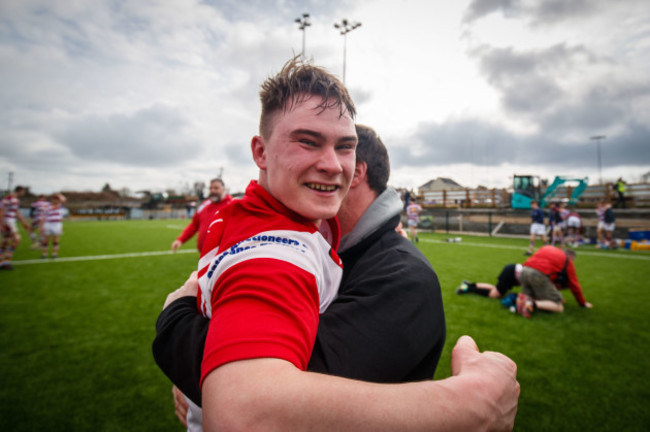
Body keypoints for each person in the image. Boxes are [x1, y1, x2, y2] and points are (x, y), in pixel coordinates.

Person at [155, 58, 519, 431]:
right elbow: (245, 405)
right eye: (308, 142)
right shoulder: (282, 242)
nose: (331, 164)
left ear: (358, 166)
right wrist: (469, 406)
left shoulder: (400, 277)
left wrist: (178, 322)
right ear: (261, 153)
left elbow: (247, 403)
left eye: (345, 147)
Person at [154, 123, 447, 427]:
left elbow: (269, 399)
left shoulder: (404, 280)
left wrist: (176, 313)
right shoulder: (324, 250)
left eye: (334, 153)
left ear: (355, 173)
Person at [515, 246, 593, 318]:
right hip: (537, 274)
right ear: (570, 257)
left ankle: (523, 302)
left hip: (524, 270)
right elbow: (574, 284)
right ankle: (532, 304)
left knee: (533, 296)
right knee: (559, 306)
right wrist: (582, 303)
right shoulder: (567, 261)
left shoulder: (547, 248)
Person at [171, 178, 233, 253]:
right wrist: (180, 240)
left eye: (216, 188)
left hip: (223, 254)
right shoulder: (204, 205)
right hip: (203, 254)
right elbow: (194, 225)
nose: (213, 191)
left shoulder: (232, 206)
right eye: (211, 188)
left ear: (224, 189)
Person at [0, 186, 30, 270]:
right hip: (7, 222)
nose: (23, 193)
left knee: (5, 242)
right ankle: (6, 261)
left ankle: (2, 262)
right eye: (23, 191)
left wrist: (24, 223)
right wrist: (2, 224)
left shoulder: (16, 201)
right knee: (16, 240)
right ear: (20, 191)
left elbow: (17, 212)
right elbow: (1, 210)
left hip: (11, 222)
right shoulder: (8, 198)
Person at [456, 263, 522, 299]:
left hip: (513, 269)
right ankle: (467, 288)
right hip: (512, 273)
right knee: (494, 295)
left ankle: (468, 285)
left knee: (496, 289)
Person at [39, 193, 67, 259]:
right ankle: (44, 254)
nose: (55, 201)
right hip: (48, 224)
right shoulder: (47, 207)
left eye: (57, 199)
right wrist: (41, 226)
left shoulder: (60, 206)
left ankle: (54, 254)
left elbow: (64, 200)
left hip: (57, 224)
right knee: (46, 240)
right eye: (54, 199)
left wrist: (59, 195)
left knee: (55, 240)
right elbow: (44, 217)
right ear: (52, 200)